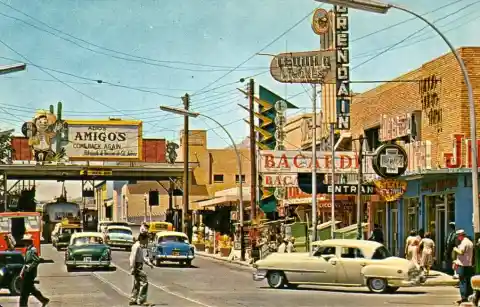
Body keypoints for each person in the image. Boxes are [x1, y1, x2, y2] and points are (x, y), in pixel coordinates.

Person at [129, 234, 154, 306]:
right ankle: (142, 300)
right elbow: (132, 257)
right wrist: (132, 267)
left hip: (138, 265)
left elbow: (142, 258)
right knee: (144, 281)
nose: (147, 242)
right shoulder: (136, 246)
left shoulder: (140, 247)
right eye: (146, 240)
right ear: (142, 239)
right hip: (137, 266)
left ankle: (133, 299)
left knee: (137, 283)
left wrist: (149, 264)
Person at [453, 229, 474, 305]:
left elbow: (461, 252)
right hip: (469, 264)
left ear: (460, 235)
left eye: (458, 236)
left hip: (462, 265)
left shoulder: (464, 243)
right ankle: (469, 297)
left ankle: (463, 298)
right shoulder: (470, 242)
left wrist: (455, 249)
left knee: (462, 282)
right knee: (468, 282)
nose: (457, 238)